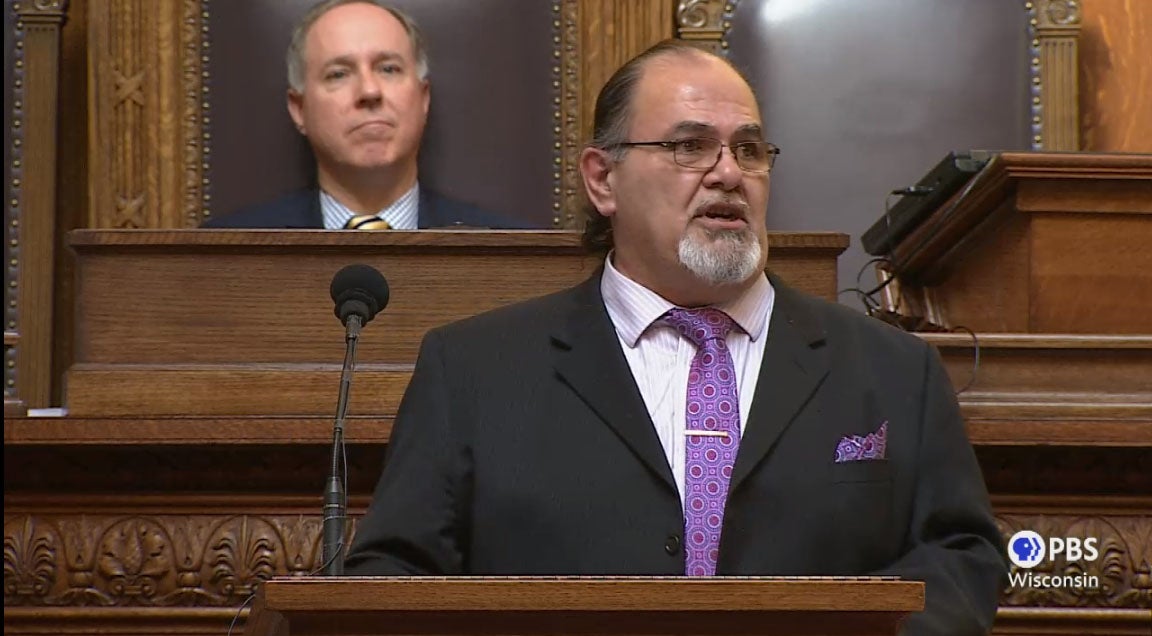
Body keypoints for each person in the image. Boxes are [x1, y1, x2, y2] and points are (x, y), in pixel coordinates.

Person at [345, 40, 1006, 635]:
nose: (728, 173)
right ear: (603, 179)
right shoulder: (474, 371)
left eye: (749, 149)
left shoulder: (893, 372)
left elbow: (960, 559)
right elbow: (392, 571)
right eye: (690, 146)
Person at [204, 0, 515, 229]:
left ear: (423, 98)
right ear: (299, 109)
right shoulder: (226, 256)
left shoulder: (513, 253)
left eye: (388, 69)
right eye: (339, 74)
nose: (369, 91)